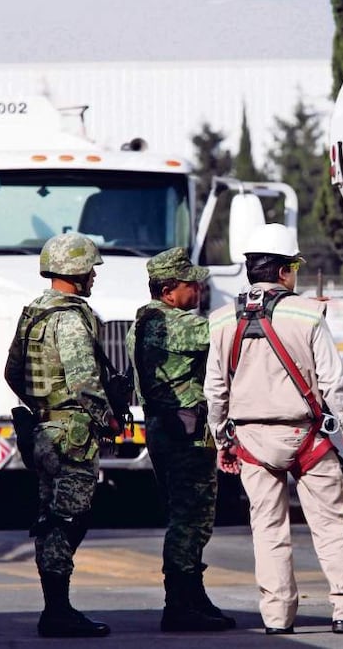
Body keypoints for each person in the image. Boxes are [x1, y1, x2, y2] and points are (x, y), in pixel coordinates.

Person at [205, 223, 343, 636]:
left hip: (251, 441)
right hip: (306, 437)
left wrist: (222, 438)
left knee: (268, 532)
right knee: (331, 527)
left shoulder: (219, 321)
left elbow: (215, 389)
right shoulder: (308, 314)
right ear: (286, 271)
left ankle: (276, 618)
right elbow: (332, 382)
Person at [4, 232, 122, 638]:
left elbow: (12, 373)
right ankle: (57, 610)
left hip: (40, 430)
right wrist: (108, 420)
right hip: (70, 434)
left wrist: (42, 404)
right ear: (76, 271)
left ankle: (55, 606)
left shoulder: (33, 312)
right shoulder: (70, 318)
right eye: (90, 269)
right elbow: (85, 381)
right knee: (69, 517)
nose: (94, 276)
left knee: (51, 513)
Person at [125, 247, 234, 633]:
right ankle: (179, 603)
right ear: (169, 290)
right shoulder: (173, 324)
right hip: (184, 432)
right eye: (192, 285)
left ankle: (192, 594)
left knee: (190, 516)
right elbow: (225, 334)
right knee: (190, 519)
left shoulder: (142, 322)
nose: (199, 290)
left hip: (167, 428)